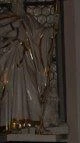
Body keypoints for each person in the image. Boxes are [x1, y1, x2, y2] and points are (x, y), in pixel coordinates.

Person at [0, 0, 58, 132]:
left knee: (31, 89)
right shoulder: (4, 17)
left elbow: (41, 35)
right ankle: (11, 123)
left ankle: (32, 122)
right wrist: (13, 30)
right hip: (9, 63)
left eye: (20, 1)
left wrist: (51, 30)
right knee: (11, 90)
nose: (18, 3)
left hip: (27, 61)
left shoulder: (29, 20)